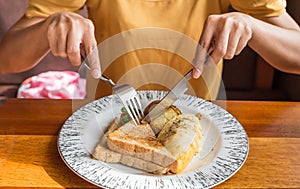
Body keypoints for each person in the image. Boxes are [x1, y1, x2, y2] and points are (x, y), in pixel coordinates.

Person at [0, 0, 299, 100]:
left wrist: (251, 25)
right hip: (107, 123)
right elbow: (5, 59)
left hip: (200, 125)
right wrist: (48, 27)